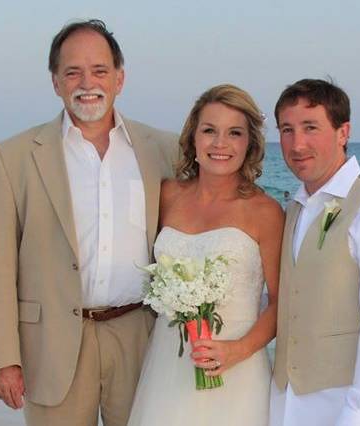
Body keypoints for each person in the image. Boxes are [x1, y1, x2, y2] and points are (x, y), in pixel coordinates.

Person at [0, 19, 177, 426]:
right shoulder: (13, 157)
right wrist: (3, 359)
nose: (88, 82)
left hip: (139, 335)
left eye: (100, 70)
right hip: (52, 344)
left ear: (119, 78)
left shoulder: (165, 150)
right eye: (73, 72)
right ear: (55, 82)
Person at [127, 84, 284, 426]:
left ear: (250, 144)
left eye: (234, 133)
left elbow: (280, 303)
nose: (220, 144)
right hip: (168, 364)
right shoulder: (167, 195)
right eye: (209, 130)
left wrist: (236, 351)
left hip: (237, 370)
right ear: (193, 138)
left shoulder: (266, 211)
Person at [269, 78, 360, 425]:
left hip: (343, 407)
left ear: (343, 132)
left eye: (311, 128)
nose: (297, 143)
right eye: (287, 130)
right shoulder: (293, 208)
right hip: (284, 403)